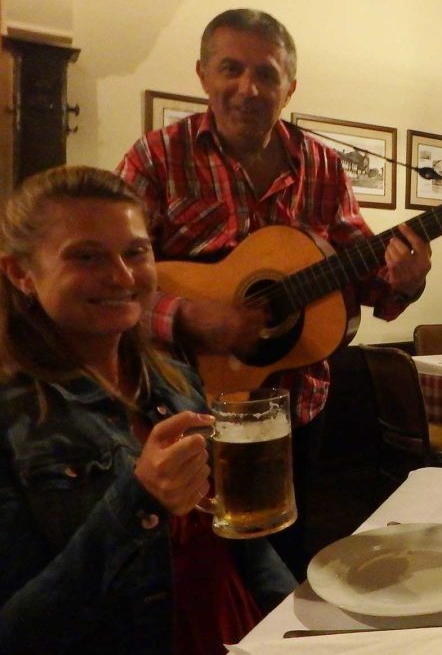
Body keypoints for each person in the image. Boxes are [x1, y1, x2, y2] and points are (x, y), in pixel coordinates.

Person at [116, 9, 432, 578]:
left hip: (295, 404)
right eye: (230, 69)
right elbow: (115, 288)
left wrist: (404, 282)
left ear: (289, 88)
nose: (248, 88)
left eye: (266, 75)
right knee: (188, 564)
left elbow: (368, 279)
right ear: (203, 74)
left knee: (286, 553)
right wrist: (190, 317)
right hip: (183, 401)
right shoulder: (155, 158)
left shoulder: (325, 166)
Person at [0, 166, 295, 654]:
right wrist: (138, 500)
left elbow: (237, 535)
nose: (122, 276)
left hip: (231, 629)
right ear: (21, 274)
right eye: (87, 256)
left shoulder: (172, 376)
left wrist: (294, 621)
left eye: (136, 252)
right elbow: (18, 632)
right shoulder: (15, 417)